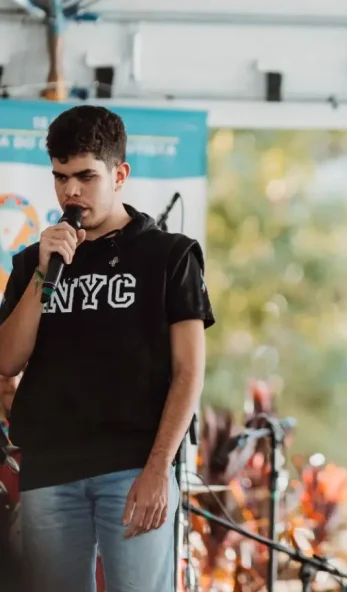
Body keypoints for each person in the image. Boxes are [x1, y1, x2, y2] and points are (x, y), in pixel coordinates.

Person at [0, 105, 215, 592]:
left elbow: (188, 373)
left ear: (119, 175)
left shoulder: (170, 255)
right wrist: (42, 271)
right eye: (59, 177)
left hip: (133, 465)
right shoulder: (34, 261)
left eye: (85, 176)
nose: (70, 191)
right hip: (50, 467)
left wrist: (159, 468)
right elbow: (6, 360)